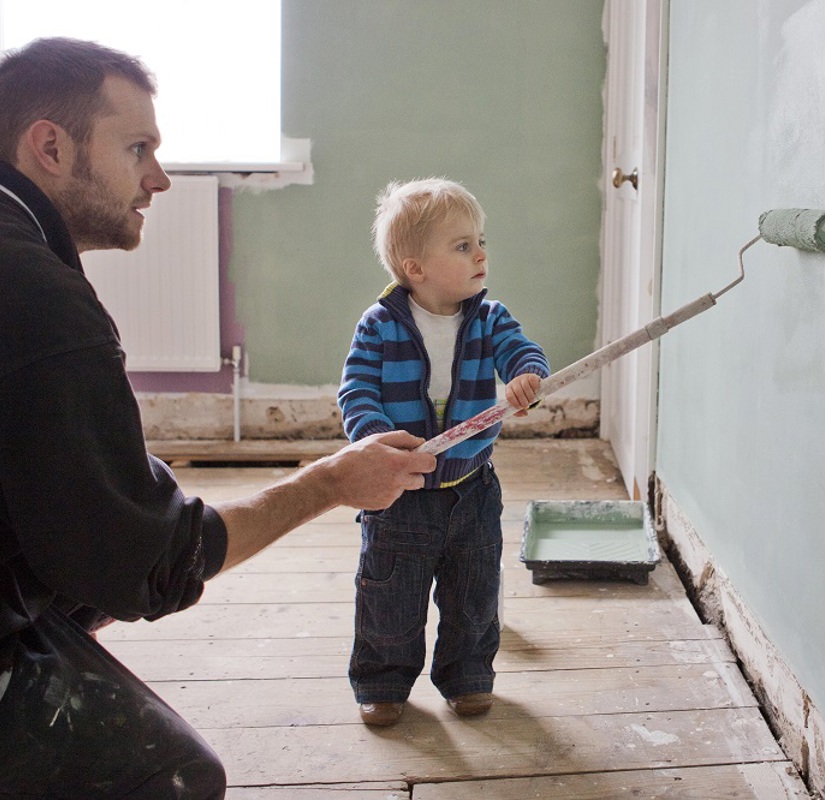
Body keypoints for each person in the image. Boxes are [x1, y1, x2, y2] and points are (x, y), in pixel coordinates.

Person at [0, 37, 435, 799]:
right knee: (174, 777)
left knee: (79, 584)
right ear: (49, 146)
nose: (159, 179)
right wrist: (332, 481)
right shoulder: (39, 301)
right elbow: (154, 563)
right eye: (137, 148)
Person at [338, 178, 549, 726]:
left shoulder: (489, 318)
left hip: (471, 487)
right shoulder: (380, 326)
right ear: (415, 268)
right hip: (400, 490)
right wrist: (378, 438)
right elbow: (357, 391)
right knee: (390, 597)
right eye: (462, 246)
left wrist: (527, 376)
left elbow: (521, 351)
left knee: (474, 595)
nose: (480, 253)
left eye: (480, 240)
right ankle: (383, 682)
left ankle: (468, 676)